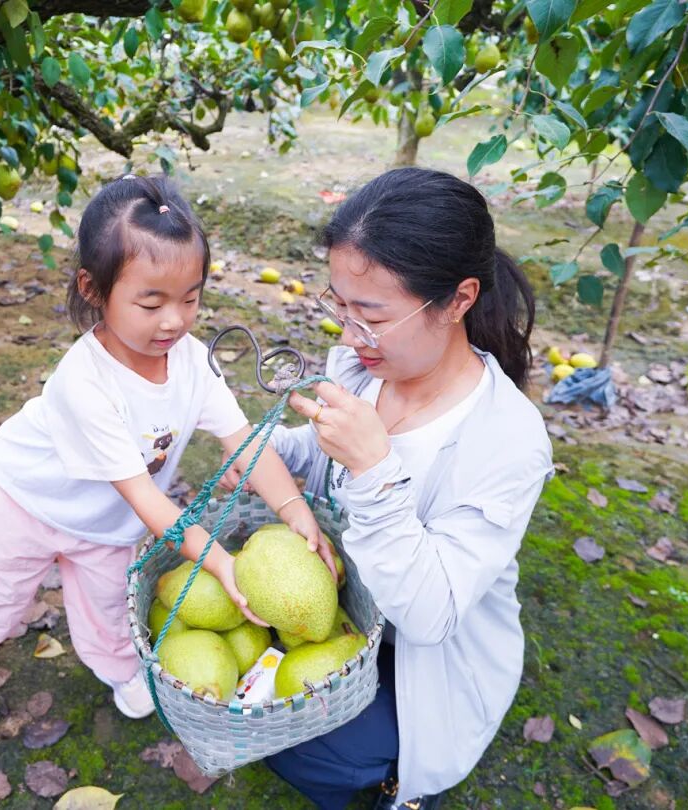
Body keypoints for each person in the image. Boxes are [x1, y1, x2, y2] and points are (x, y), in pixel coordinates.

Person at [0, 175, 332, 719]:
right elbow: (145, 497)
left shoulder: (191, 363)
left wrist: (295, 510)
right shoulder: (84, 382)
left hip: (105, 522)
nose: (174, 320)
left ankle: (119, 669)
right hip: (24, 499)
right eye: (151, 303)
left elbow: (246, 445)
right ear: (94, 290)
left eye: (190, 298)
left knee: (109, 608)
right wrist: (219, 564)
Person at [226, 168, 553, 807]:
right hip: (344, 606)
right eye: (339, 306)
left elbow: (430, 616)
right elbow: (321, 455)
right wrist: (280, 450)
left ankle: (396, 783)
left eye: (370, 315)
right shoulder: (359, 363)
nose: (348, 335)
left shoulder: (507, 441)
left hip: (422, 655)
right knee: (246, 693)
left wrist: (377, 474)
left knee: (301, 742)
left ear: (458, 301)